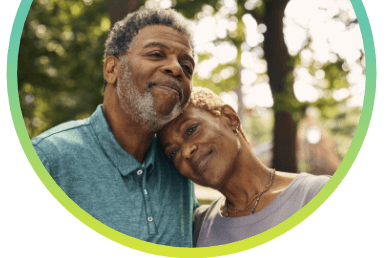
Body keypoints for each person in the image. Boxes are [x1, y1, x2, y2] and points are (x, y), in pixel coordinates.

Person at [31, 9, 199, 247]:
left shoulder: (179, 165)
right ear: (111, 69)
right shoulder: (48, 158)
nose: (176, 68)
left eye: (187, 66)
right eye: (156, 54)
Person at [158, 86, 331, 247]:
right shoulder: (198, 227)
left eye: (191, 129)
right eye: (173, 153)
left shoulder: (315, 195)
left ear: (230, 118)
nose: (186, 151)